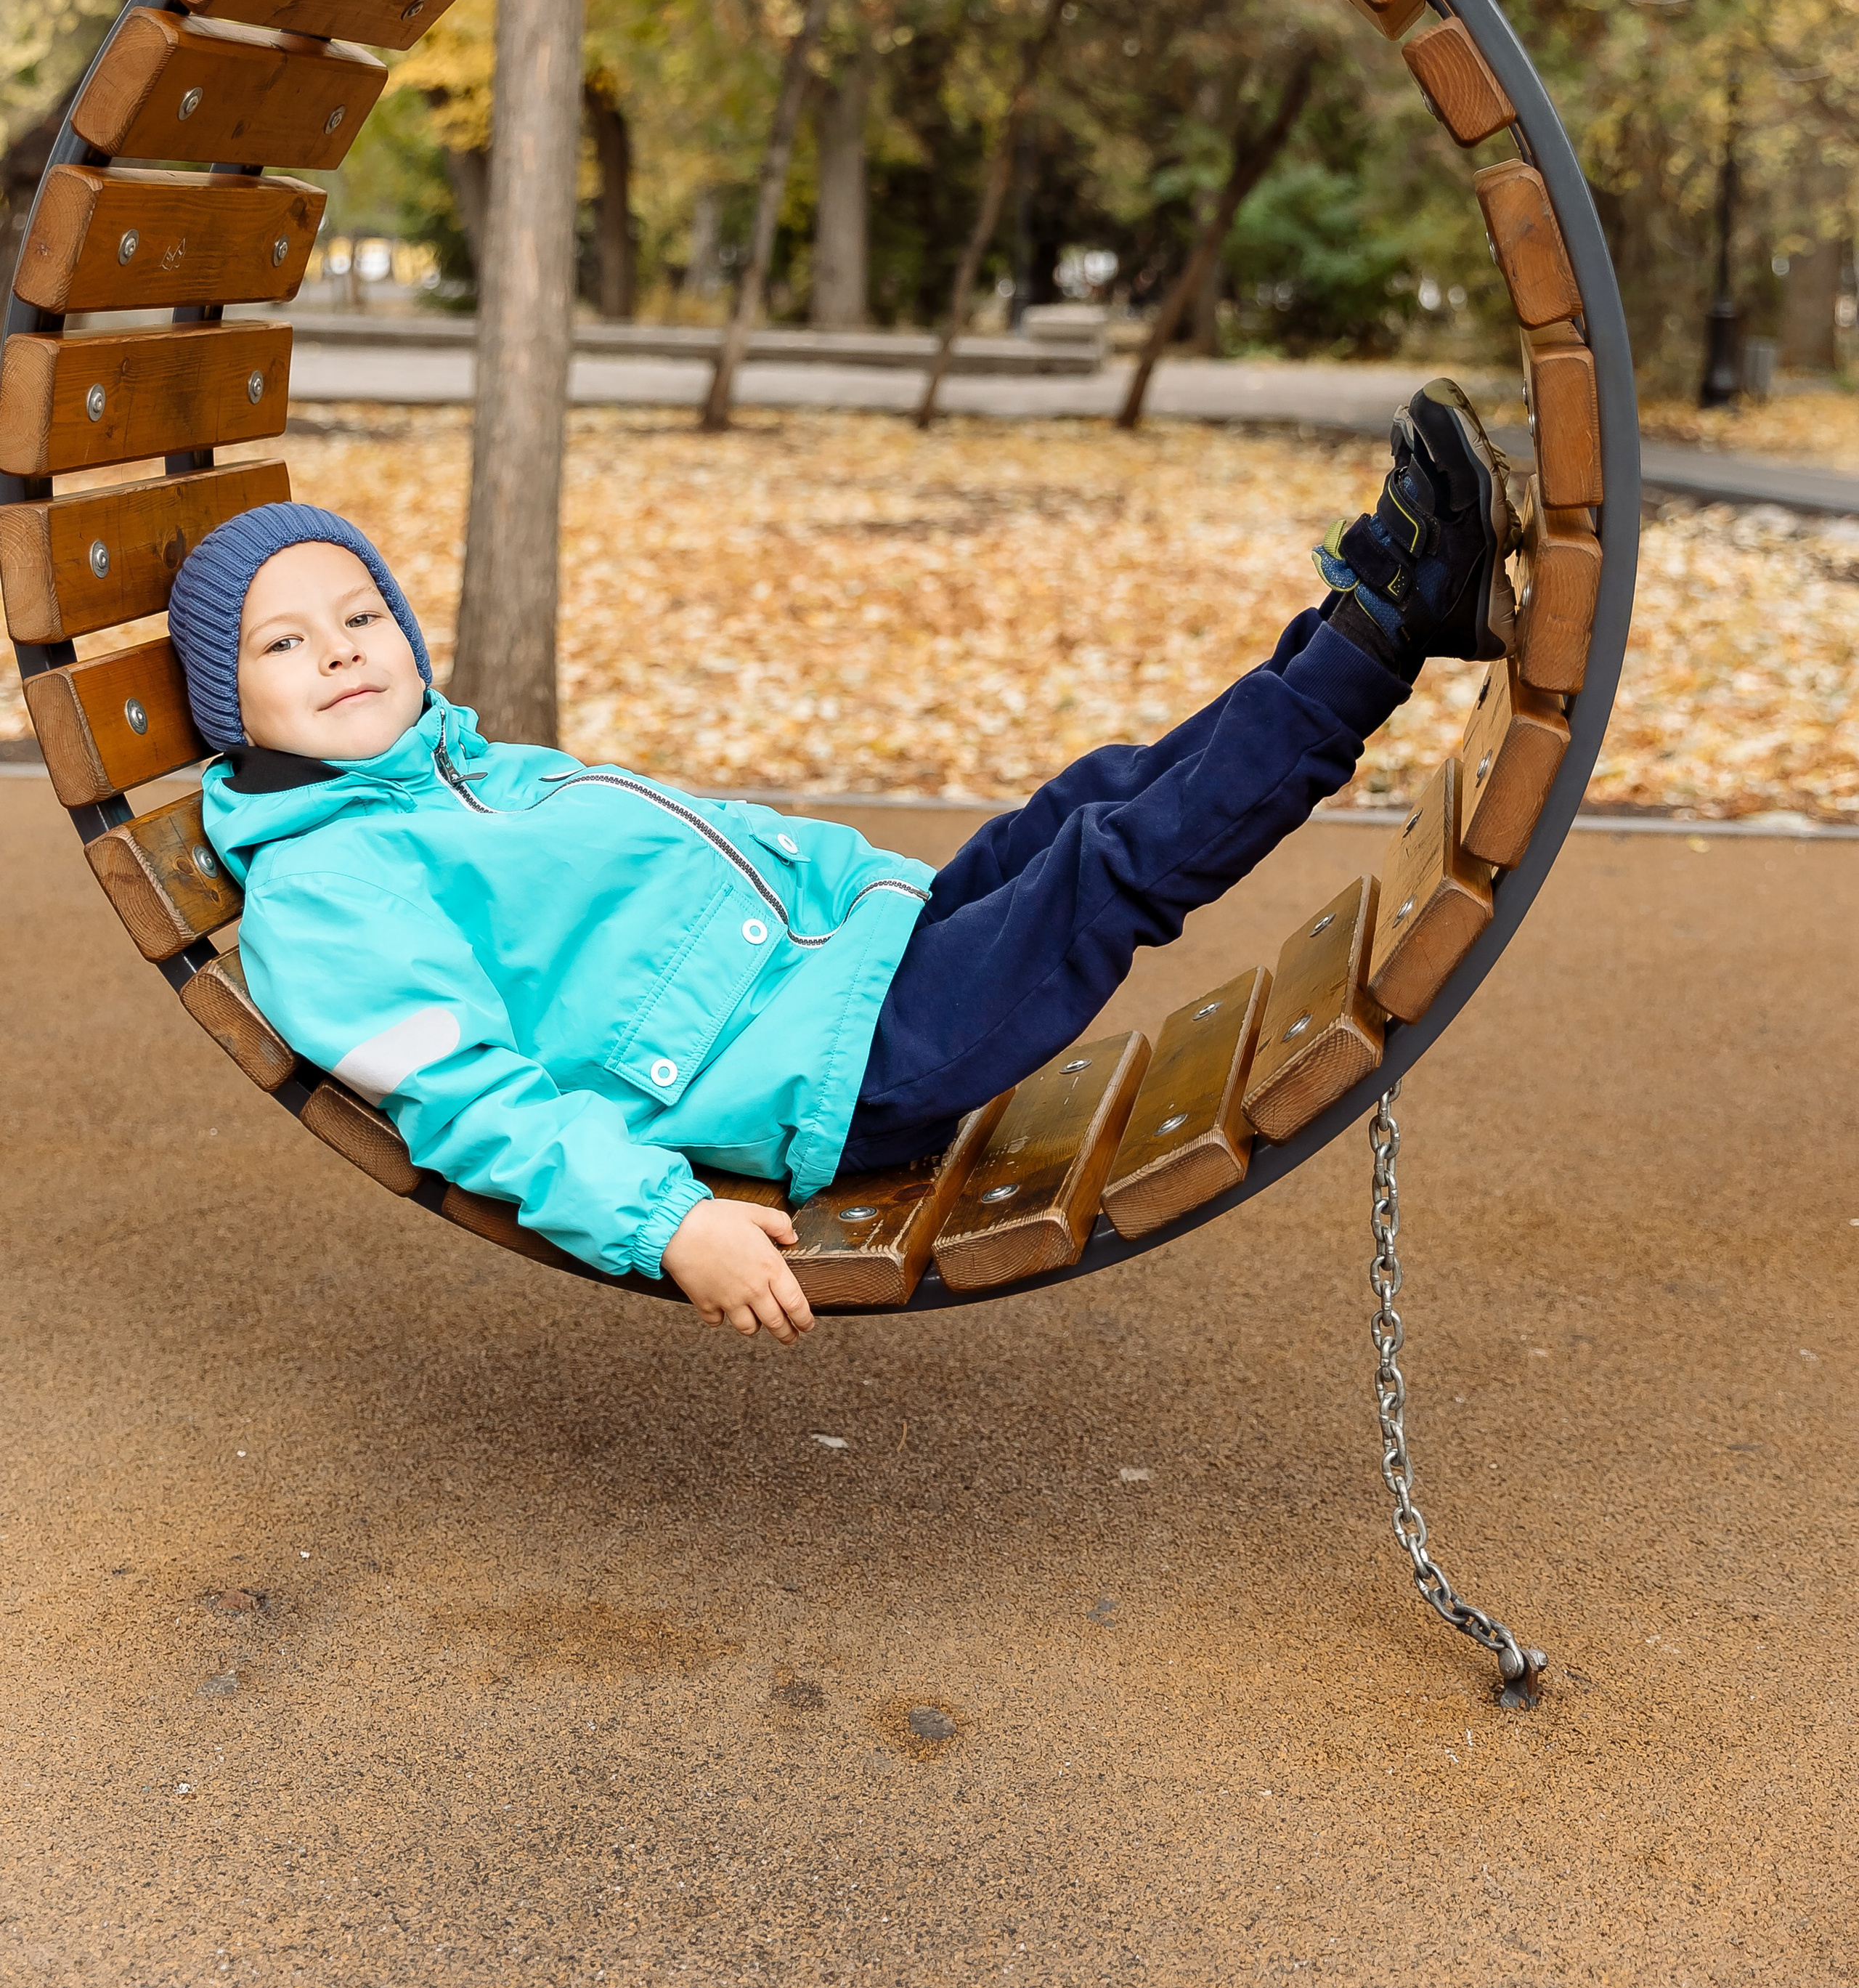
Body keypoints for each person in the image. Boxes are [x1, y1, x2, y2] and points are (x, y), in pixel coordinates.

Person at [168, 384, 1513, 1346]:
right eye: (282, 646)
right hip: (836, 1071)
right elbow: (469, 1099)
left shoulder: (462, 765)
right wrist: (663, 1223)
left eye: (358, 615)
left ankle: (1372, 598)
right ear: (231, 712)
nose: (340, 649)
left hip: (846, 961)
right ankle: (1387, 639)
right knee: (1108, 869)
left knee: (1091, 796)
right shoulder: (323, 891)